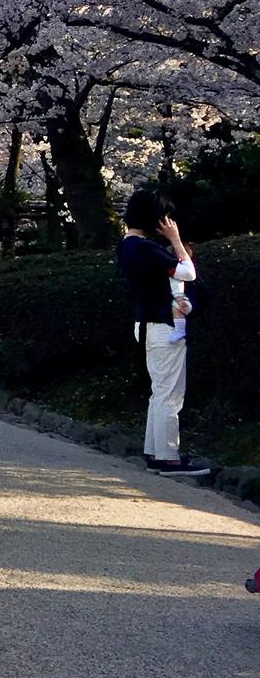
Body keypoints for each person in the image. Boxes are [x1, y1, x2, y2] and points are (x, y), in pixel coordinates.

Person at [117, 188, 209, 477]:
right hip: (164, 326)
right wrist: (176, 240)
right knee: (170, 394)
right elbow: (187, 273)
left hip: (147, 324)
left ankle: (156, 452)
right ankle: (168, 457)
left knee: (159, 392)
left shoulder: (127, 245)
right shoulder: (144, 248)